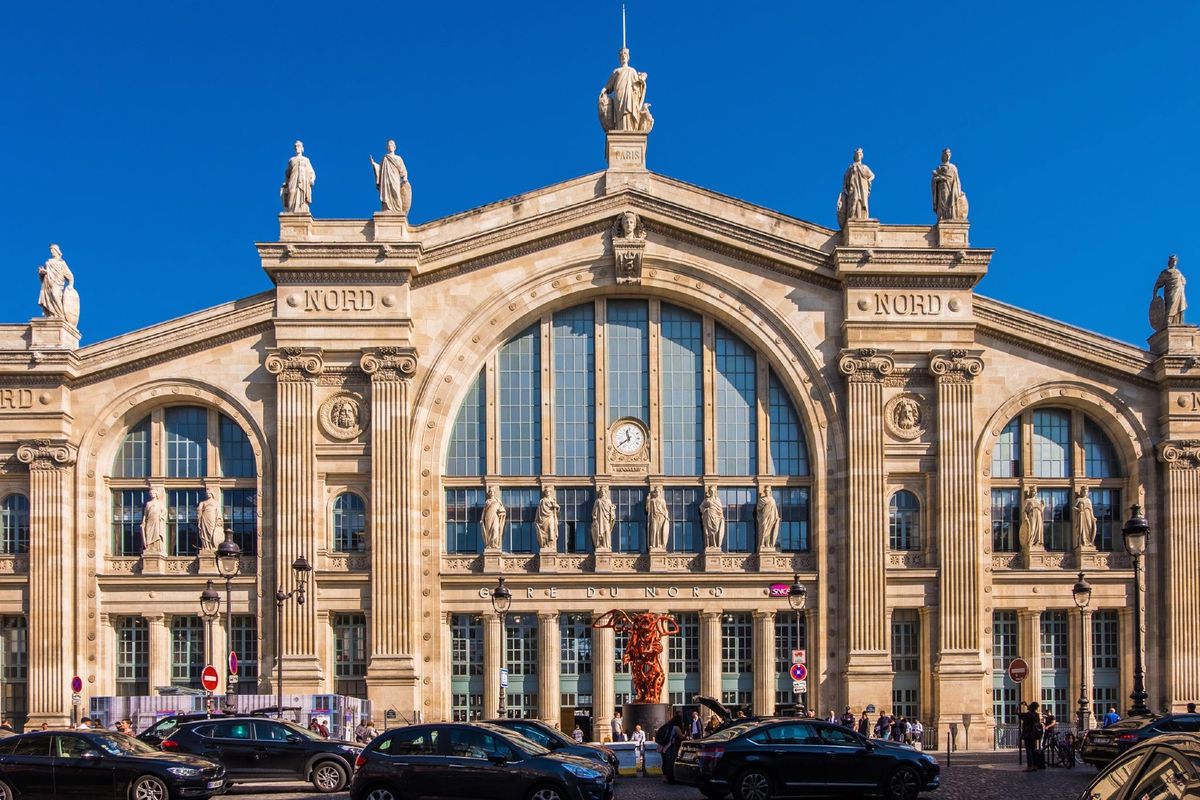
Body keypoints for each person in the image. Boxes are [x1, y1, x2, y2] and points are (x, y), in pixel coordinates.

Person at [659, 713, 686, 785]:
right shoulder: (676, 728)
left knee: (665, 762)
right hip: (670, 746)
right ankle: (671, 778)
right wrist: (686, 735)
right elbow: (682, 737)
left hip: (662, 747)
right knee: (670, 763)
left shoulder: (666, 726)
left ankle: (665, 777)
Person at [1018, 701, 1044, 771]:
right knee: (1033, 750)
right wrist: (1027, 705)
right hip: (1034, 734)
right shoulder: (1037, 715)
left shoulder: (1027, 715)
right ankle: (1035, 766)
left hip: (1027, 734)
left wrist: (1019, 705)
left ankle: (1029, 766)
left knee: (1028, 751)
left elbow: (1017, 713)